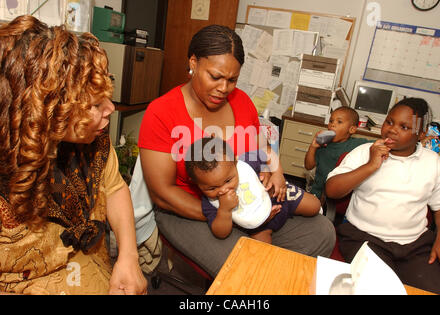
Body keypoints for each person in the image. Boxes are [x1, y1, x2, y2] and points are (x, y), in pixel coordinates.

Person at [138, 24, 335, 277]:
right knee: (247, 266)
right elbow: (163, 194)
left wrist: (271, 175)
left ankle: (278, 282)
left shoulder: (241, 101)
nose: (224, 88)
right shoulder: (161, 112)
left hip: (249, 200)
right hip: (192, 210)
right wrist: (229, 213)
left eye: (232, 80)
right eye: (215, 76)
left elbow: (261, 152)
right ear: (193, 62)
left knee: (321, 232)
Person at [0, 15, 147, 295]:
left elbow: (115, 190)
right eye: (94, 104)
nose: (110, 109)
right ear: (44, 110)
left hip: (88, 267)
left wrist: (129, 256)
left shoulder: (94, 146)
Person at [326, 98, 440, 294]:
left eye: (404, 127)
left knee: (436, 288)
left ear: (421, 134)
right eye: (389, 122)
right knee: (380, 289)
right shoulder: (364, 152)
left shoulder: (432, 162)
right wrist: (371, 165)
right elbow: (332, 190)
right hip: (364, 238)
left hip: (415, 244)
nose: (392, 130)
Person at [185, 137, 320, 244]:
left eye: (228, 181)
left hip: (278, 195)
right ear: (196, 183)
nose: (223, 190)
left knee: (314, 206)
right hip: (258, 227)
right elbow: (220, 233)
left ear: (235, 162)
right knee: (261, 252)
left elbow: (268, 153)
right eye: (212, 188)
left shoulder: (246, 163)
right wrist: (224, 211)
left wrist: (278, 173)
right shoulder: (209, 202)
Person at [304, 106, 371, 204]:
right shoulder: (323, 144)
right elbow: (308, 166)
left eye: (339, 122)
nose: (332, 125)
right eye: (331, 121)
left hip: (340, 194)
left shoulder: (357, 144)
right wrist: (313, 146)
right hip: (317, 192)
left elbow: (377, 144)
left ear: (352, 129)